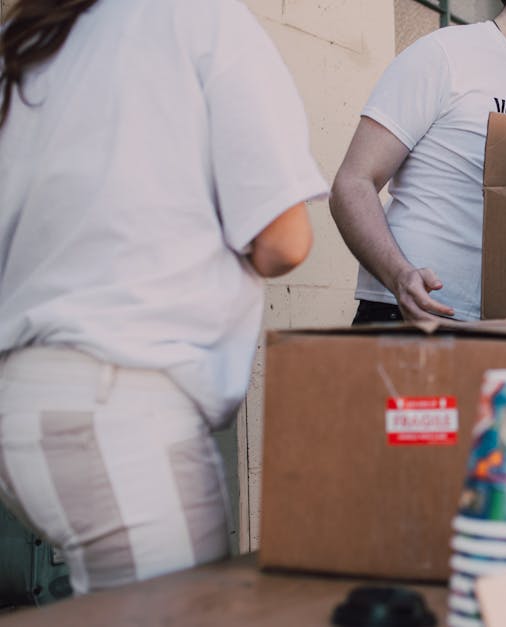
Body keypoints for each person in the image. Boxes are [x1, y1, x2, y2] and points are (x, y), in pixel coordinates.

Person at [0, 0, 327, 594]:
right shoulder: (202, 18)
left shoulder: (24, 37)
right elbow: (284, 240)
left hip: (23, 402)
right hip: (122, 407)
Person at [330, 0, 506, 324]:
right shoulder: (445, 55)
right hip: (408, 314)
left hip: (500, 328)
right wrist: (399, 276)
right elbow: (353, 183)